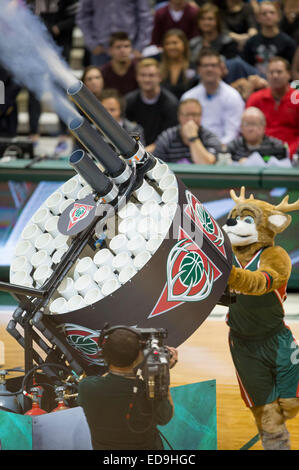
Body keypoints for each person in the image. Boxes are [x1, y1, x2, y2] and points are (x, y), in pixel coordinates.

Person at [78, 328, 177, 450]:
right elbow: (165, 417)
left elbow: (110, 379)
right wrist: (162, 373)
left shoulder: (86, 388)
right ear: (138, 358)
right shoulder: (148, 391)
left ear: (104, 354)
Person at [181, 48, 244, 145]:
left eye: (213, 65)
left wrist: (214, 150)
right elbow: (183, 130)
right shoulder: (188, 97)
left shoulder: (232, 96)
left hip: (223, 151)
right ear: (199, 69)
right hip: (192, 148)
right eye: (205, 65)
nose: (209, 69)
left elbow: (232, 135)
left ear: (221, 68)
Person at [246, 56, 299, 158]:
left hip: (292, 154)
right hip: (258, 152)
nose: (275, 76)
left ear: (289, 74)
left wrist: (289, 153)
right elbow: (246, 128)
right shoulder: (255, 99)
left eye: (279, 72)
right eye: (271, 72)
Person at [76, 0, 153, 66]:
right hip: (101, 49)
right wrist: (91, 43)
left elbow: (145, 16)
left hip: (130, 48)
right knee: (100, 81)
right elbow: (83, 16)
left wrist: (139, 46)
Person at [125, 58, 179, 149]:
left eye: (151, 75)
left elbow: (169, 137)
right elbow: (126, 130)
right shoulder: (129, 101)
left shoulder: (171, 103)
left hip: (162, 151)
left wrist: (145, 152)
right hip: (135, 149)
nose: (147, 79)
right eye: (143, 75)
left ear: (160, 77)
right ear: (137, 77)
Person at [154, 98, 221, 164]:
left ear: (201, 116)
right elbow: (157, 166)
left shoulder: (209, 137)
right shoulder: (167, 137)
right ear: (179, 116)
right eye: (187, 114)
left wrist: (193, 138)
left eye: (195, 115)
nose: (190, 119)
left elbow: (207, 164)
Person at [242, 1, 297, 78]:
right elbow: (246, 67)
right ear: (258, 18)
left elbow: (293, 70)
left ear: (279, 16)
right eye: (264, 13)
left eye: (272, 12)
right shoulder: (251, 42)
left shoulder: (288, 42)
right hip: (258, 81)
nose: (268, 16)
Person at [160, 29, 198, 99]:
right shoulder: (158, 68)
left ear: (184, 44)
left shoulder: (193, 66)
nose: (171, 47)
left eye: (175, 43)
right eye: (167, 44)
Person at [100, 32, 139, 96]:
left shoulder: (139, 69)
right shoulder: (103, 71)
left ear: (131, 49)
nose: (123, 50)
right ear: (110, 50)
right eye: (118, 47)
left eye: (126, 46)